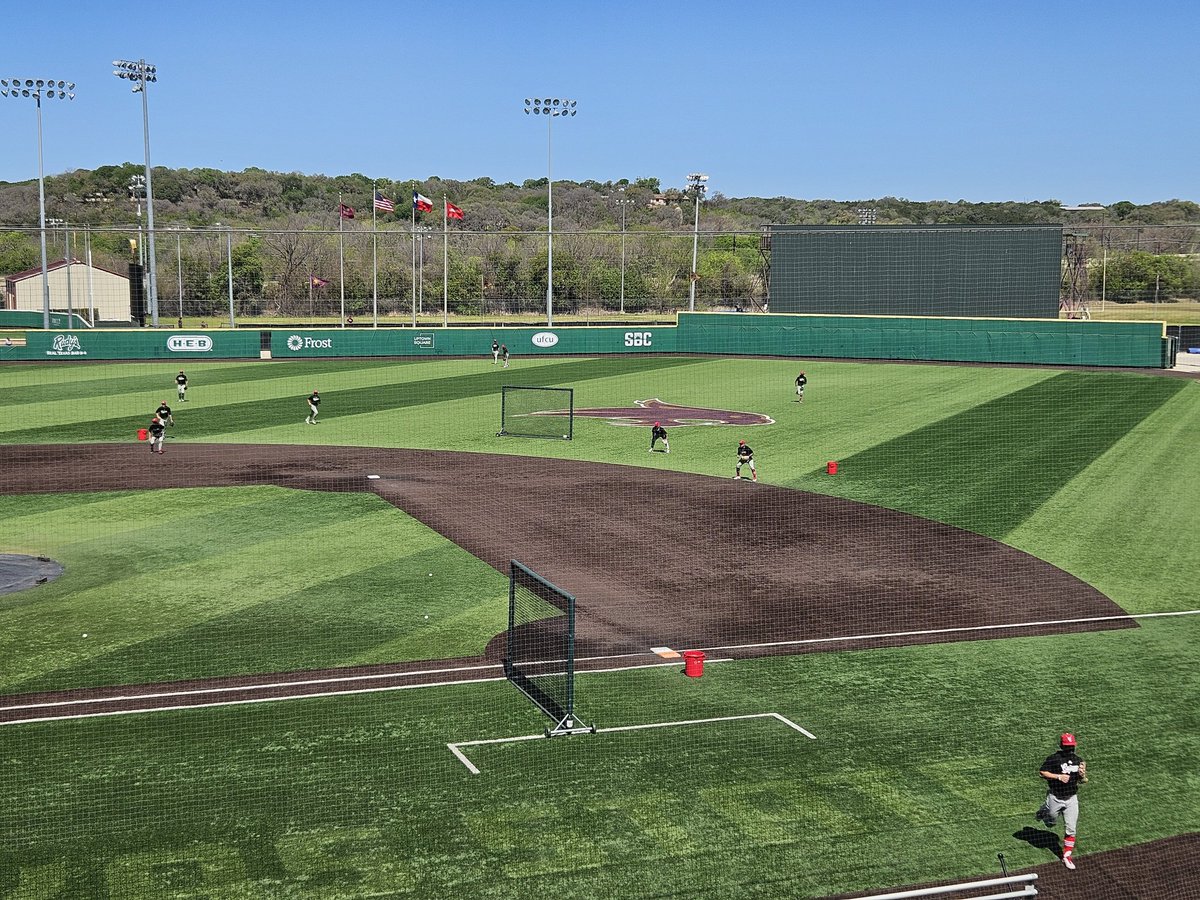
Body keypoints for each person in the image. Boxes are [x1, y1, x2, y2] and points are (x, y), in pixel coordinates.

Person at [1037, 732, 1087, 870]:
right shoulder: (1054, 758)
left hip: (1071, 799)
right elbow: (1042, 772)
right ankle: (1044, 810)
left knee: (1071, 828)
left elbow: (1082, 780)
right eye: (1067, 746)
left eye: (1071, 746)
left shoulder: (1078, 760)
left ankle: (1066, 856)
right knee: (1050, 823)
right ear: (1061, 746)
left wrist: (1082, 775)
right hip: (1055, 797)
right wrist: (1058, 777)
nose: (1070, 749)